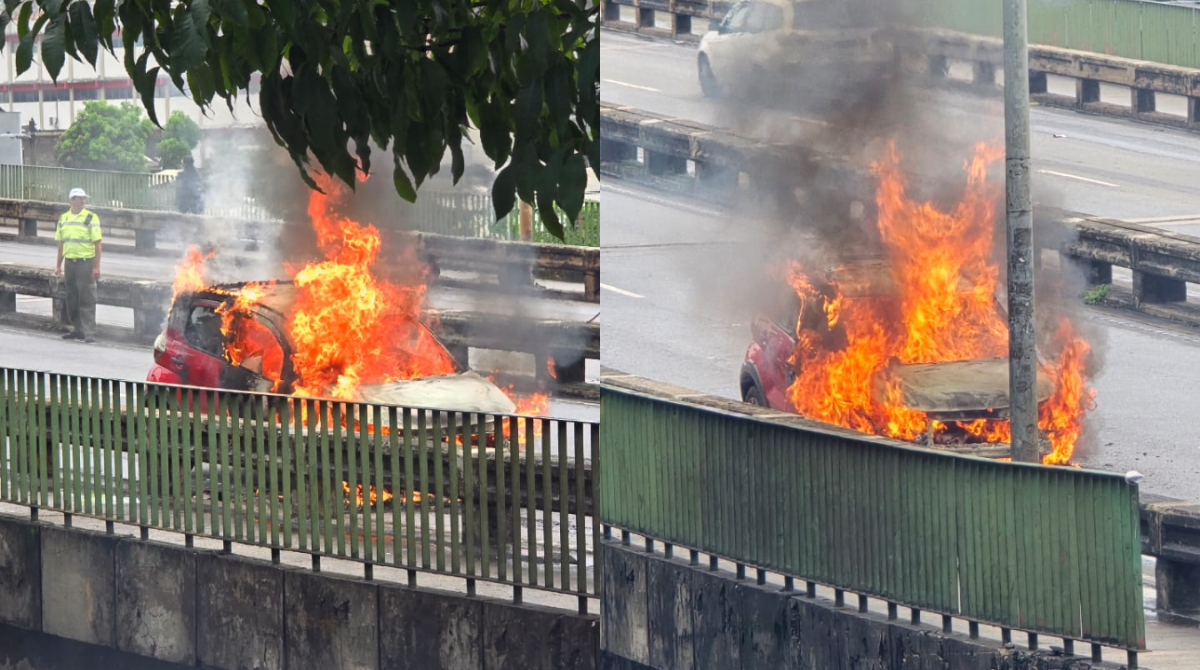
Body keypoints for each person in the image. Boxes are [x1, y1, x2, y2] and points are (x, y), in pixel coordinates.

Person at [54, 188, 102, 343]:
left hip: (85, 262)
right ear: (71, 200)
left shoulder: (90, 217)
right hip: (70, 262)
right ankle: (77, 329)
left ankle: (89, 331)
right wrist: (58, 266)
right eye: (79, 198)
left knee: (87, 297)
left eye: (84, 198)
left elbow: (98, 244)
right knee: (72, 297)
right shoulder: (64, 218)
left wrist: (96, 267)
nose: (82, 201)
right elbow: (61, 243)